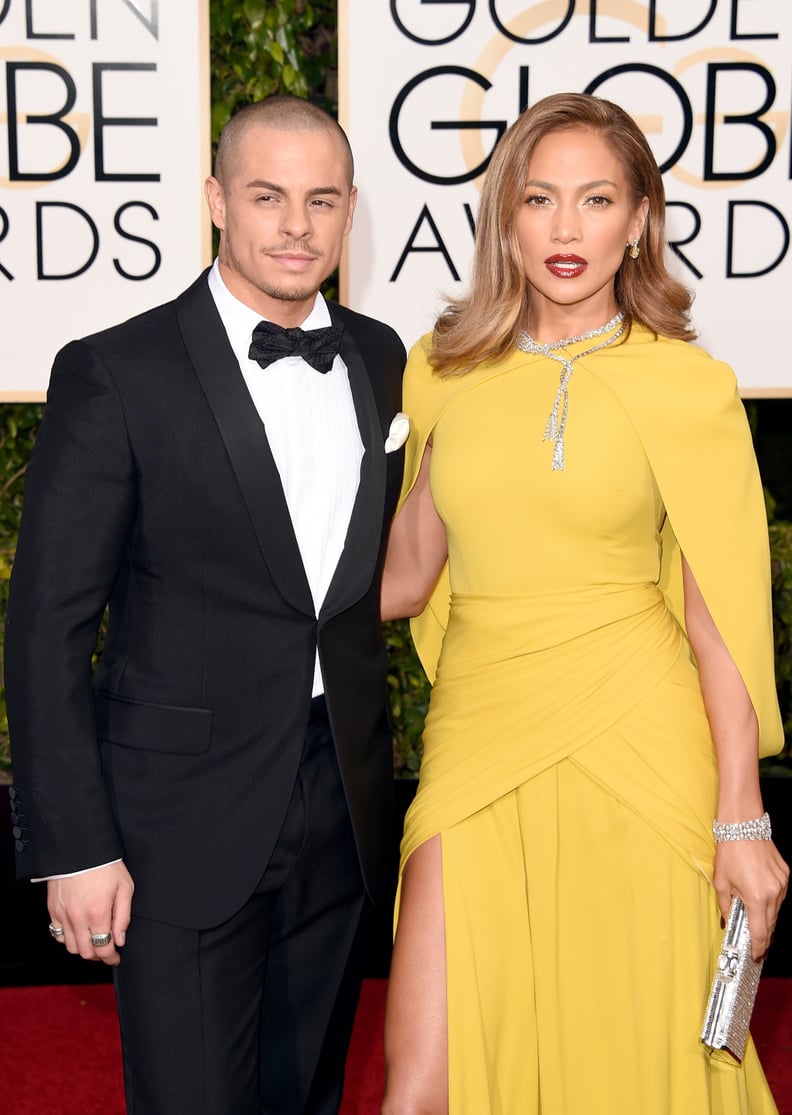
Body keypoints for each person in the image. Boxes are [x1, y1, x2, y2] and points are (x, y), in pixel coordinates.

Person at [379, 92, 788, 1114]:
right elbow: (401, 576)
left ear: (641, 216)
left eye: (596, 199)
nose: (566, 230)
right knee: (421, 1082)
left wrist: (742, 816)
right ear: (504, 218)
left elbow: (720, 611)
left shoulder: (688, 386)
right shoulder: (439, 374)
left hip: (641, 730)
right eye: (539, 199)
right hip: (481, 730)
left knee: (637, 1064)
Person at [5, 94, 406, 1115]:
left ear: (352, 208)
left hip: (339, 802)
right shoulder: (116, 370)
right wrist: (77, 845)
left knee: (306, 1092)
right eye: (268, 195)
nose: (295, 224)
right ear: (216, 200)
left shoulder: (381, 357)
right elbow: (48, 624)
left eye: (321, 199)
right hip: (173, 820)